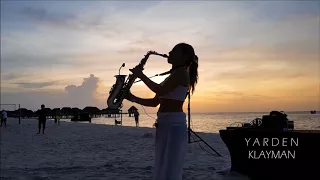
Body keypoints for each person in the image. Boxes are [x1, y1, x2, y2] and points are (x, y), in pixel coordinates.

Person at [125, 43, 199, 180]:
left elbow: (161, 90)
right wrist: (132, 98)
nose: (169, 53)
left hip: (174, 125)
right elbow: (155, 102)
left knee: (171, 167)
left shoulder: (182, 72)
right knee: (161, 164)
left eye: (174, 51)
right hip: (165, 123)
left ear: (184, 57)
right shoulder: (172, 75)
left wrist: (140, 75)